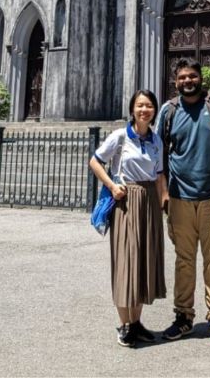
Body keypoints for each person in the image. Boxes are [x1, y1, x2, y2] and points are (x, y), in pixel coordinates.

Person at [156, 58, 210, 346]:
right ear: (175, 80)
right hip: (180, 198)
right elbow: (158, 152)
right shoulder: (168, 112)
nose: (187, 81)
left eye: (192, 76)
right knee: (184, 260)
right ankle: (183, 317)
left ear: (201, 78)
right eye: (182, 77)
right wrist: (163, 191)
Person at [89, 90, 168, 347]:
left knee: (143, 260)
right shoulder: (120, 136)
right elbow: (95, 161)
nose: (144, 110)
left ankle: (136, 323)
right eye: (139, 105)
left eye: (149, 106)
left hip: (148, 202)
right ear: (132, 109)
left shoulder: (156, 140)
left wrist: (163, 201)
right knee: (126, 260)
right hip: (126, 200)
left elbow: (158, 175)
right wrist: (112, 186)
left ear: (155, 110)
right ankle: (124, 324)